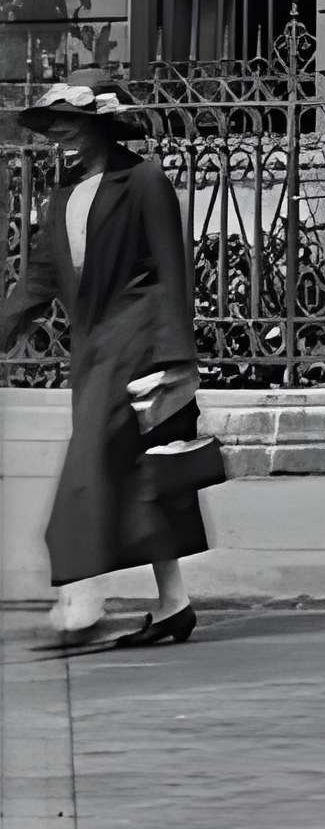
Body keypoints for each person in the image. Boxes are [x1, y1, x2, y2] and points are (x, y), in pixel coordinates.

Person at [5, 79, 212, 652]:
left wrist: (177, 361)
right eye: (54, 127)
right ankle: (175, 604)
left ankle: (81, 598)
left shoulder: (143, 180)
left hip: (141, 344)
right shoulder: (62, 192)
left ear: (101, 126)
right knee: (144, 478)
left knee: (89, 463)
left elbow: (174, 271)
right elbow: (41, 277)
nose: (61, 136)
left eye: (72, 124)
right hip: (95, 350)